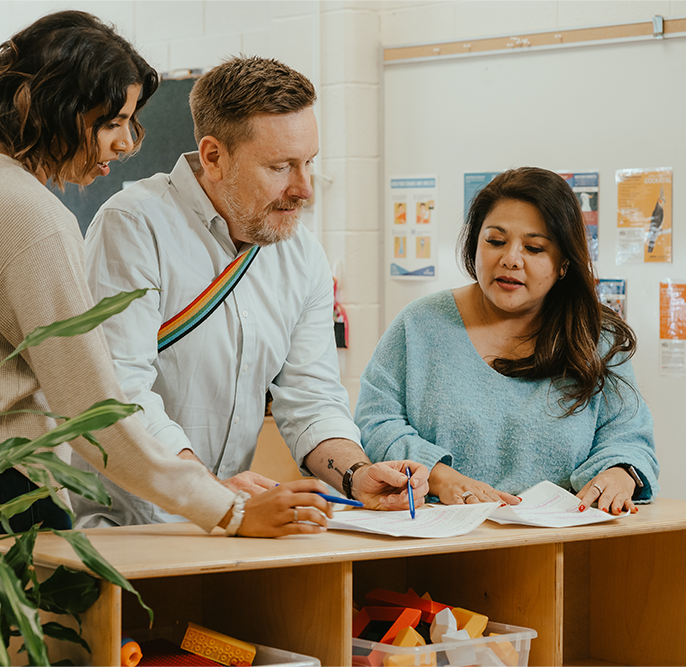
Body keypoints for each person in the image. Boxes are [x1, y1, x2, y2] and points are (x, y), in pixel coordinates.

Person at [0, 11, 334, 538]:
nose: (127, 143)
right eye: (110, 123)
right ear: (56, 112)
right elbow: (95, 408)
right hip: (1, 498)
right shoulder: (33, 215)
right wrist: (230, 510)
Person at [73, 56, 429, 527]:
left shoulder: (300, 254)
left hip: (237, 531)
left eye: (309, 164)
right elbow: (121, 393)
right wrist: (210, 496)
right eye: (281, 167)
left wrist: (356, 473)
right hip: (134, 530)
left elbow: (313, 399)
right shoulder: (135, 225)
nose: (304, 189)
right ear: (215, 156)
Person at [354, 167, 659, 516]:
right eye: (496, 241)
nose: (511, 259)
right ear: (474, 244)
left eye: (534, 247)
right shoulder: (420, 324)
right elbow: (375, 422)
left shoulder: (595, 336)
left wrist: (620, 473)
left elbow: (629, 437)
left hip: (565, 542)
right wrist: (440, 477)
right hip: (435, 537)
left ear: (563, 264)